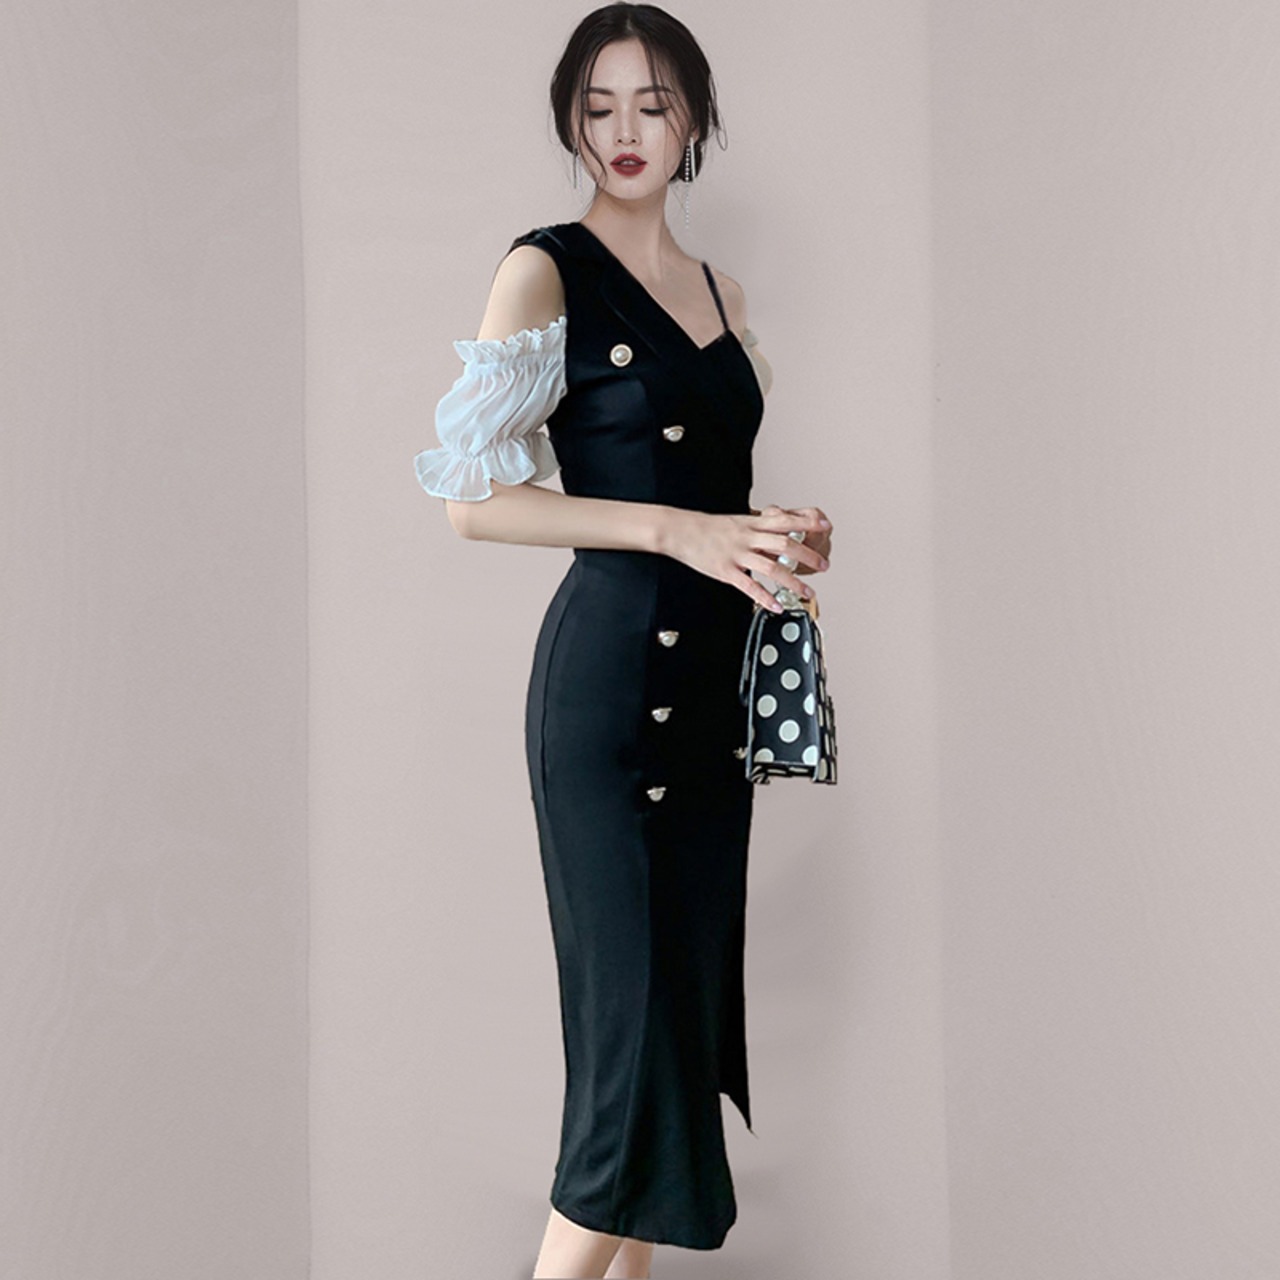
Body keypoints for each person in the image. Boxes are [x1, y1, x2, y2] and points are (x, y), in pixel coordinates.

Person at [413, 5, 833, 1276]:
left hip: (710, 697)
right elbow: (471, 502)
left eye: (651, 102)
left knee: (672, 1052)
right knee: (628, 1057)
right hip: (606, 695)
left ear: (692, 117)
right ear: (569, 121)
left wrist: (774, 536)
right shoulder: (542, 270)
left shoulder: (723, 293)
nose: (624, 130)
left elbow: (707, 494)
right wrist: (676, 530)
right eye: (597, 106)